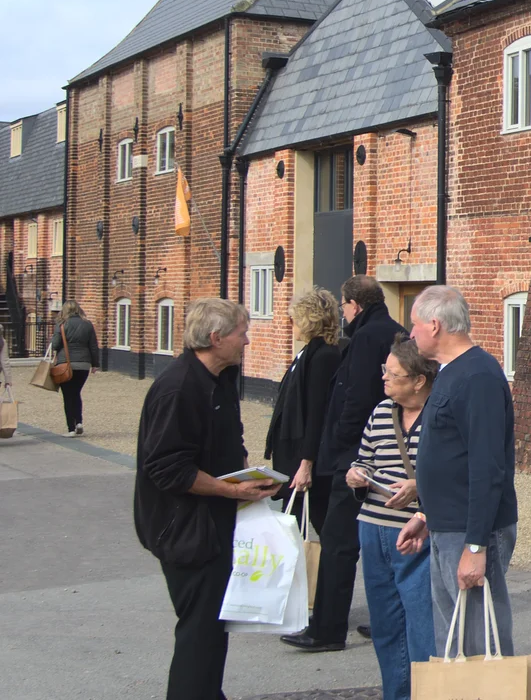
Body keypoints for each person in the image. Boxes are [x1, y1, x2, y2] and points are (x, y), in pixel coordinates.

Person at [134, 298, 280, 700]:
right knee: (199, 631)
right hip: (184, 528)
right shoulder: (179, 387)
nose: (247, 341)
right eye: (241, 333)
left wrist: (251, 477)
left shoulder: (220, 378)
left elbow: (226, 442)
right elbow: (166, 467)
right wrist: (231, 490)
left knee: (212, 629)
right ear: (215, 338)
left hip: (212, 522)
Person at [282, 274, 403, 652]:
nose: (343, 312)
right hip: (386, 453)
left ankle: (327, 630)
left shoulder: (366, 338)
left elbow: (357, 396)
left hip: (356, 457)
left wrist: (339, 444)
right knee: (385, 540)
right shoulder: (394, 331)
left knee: (338, 542)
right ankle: (389, 618)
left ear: (355, 305)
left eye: (344, 305)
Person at [396, 285, 518, 657]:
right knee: (456, 640)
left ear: (434, 325)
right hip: (448, 524)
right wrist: (426, 513)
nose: (410, 334)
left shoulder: (477, 376)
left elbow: (487, 466)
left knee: (481, 643)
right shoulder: (452, 371)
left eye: (414, 325)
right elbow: (454, 456)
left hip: (469, 530)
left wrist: (476, 546)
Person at [348, 335, 438, 700]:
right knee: (385, 623)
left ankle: (426, 693)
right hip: (373, 526)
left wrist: (418, 487)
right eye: (384, 371)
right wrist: (356, 474)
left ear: (419, 380)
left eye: (393, 374)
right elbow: (364, 458)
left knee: (422, 624)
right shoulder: (380, 412)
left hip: (416, 531)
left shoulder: (439, 414)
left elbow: (455, 472)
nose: (383, 379)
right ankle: (396, 694)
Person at [264, 288, 344, 533]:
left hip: (307, 459)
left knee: (317, 524)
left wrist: (306, 463)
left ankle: (320, 570)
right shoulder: (309, 351)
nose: (292, 324)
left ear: (310, 319)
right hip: (295, 454)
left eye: (295, 318)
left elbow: (317, 412)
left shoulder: (323, 356)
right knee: (294, 523)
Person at [51, 300, 99, 435]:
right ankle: (79, 421)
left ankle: (71, 429)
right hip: (83, 365)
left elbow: (55, 345)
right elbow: (93, 346)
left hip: (65, 365)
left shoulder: (61, 324)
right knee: (76, 393)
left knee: (68, 396)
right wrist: (95, 364)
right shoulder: (87, 324)